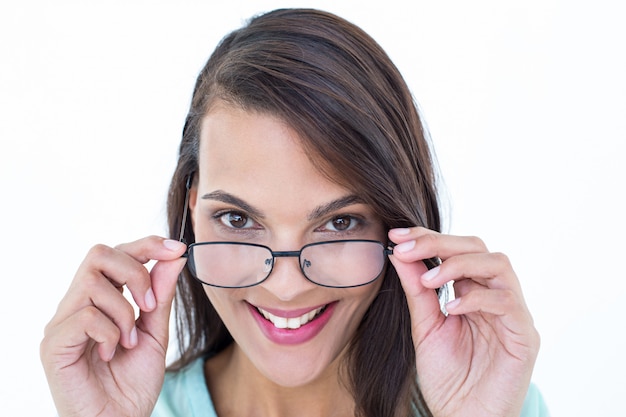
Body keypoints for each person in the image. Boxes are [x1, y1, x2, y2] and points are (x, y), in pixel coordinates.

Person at [40, 8, 549, 417]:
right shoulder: (127, 409)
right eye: (238, 220)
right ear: (192, 211)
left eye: (339, 223)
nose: (286, 287)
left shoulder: (490, 401)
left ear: (398, 229)